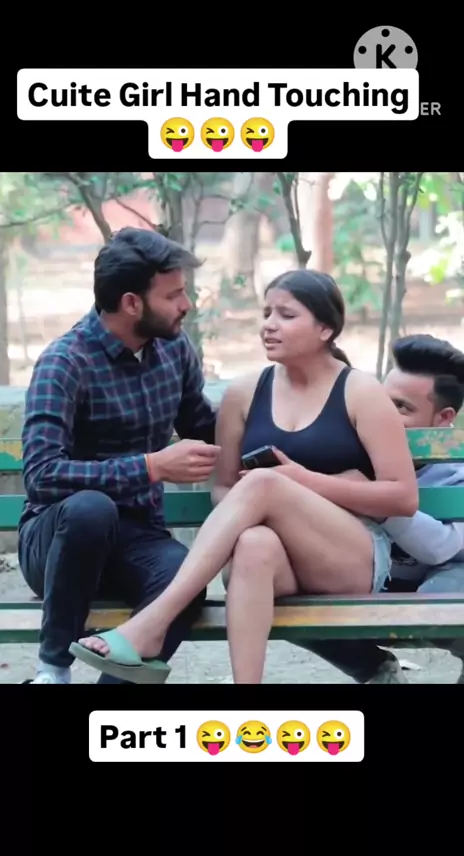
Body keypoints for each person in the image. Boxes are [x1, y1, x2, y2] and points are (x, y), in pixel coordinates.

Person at [70, 269, 419, 684]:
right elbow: (223, 489)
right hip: (276, 558)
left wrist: (299, 483)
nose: (269, 325)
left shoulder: (360, 391)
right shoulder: (243, 393)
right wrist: (267, 501)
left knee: (263, 482)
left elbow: (403, 497)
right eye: (267, 313)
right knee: (253, 543)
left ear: (325, 328)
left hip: (349, 557)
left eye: (286, 315)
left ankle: (153, 622)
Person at [18, 227, 220, 684]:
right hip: (60, 541)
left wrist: (278, 423)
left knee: (184, 581)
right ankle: (53, 672)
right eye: (173, 295)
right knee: (92, 509)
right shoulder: (65, 362)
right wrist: (151, 467)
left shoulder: (173, 349)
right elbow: (42, 476)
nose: (186, 304)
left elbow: (203, 425)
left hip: (137, 537)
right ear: (131, 303)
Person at [297, 333, 464, 684]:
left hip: (445, 578)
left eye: (401, 407)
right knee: (282, 586)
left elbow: (442, 547)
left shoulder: (457, 468)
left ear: (443, 417)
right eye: (379, 401)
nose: (381, 416)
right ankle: (374, 669)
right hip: (372, 577)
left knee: (439, 599)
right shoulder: (350, 452)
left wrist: (372, 499)